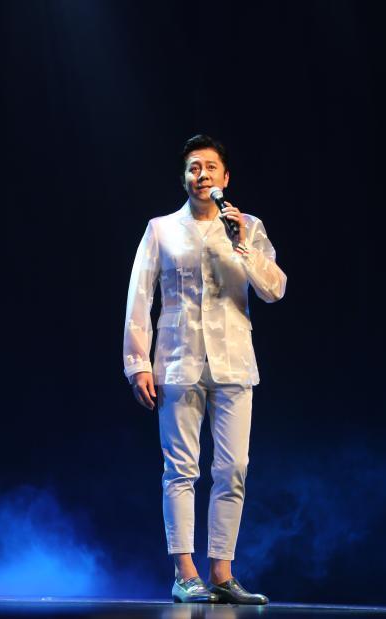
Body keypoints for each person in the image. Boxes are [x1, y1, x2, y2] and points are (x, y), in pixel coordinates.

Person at [123, 134, 287, 604]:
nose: (203, 175)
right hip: (178, 360)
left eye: (211, 168)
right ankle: (185, 574)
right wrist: (137, 363)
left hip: (234, 360)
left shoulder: (247, 227)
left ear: (225, 178)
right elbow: (140, 297)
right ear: (184, 178)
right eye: (195, 168)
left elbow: (274, 289)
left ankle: (221, 573)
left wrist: (243, 246)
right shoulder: (161, 230)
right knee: (181, 469)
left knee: (233, 468)